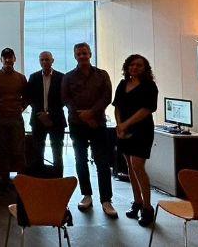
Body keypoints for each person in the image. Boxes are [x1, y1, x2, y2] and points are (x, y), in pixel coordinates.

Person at [61, 42, 116, 217]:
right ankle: (87, 195)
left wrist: (91, 114)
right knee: (80, 160)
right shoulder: (68, 77)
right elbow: (66, 99)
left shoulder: (102, 75)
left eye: (85, 53)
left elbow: (106, 97)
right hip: (77, 124)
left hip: (98, 124)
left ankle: (106, 200)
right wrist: (82, 116)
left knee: (102, 162)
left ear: (90, 54)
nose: (82, 56)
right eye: (79, 54)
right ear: (75, 56)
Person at [113, 54, 159, 226]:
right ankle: (137, 202)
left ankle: (147, 207)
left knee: (138, 166)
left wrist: (126, 124)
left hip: (142, 130)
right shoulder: (122, 84)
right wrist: (119, 126)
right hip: (123, 130)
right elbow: (117, 106)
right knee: (130, 168)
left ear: (145, 68)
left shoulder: (149, 86)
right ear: (127, 67)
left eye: (139, 65)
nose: (135, 68)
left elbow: (147, 110)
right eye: (132, 65)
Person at [0, 47, 29, 187]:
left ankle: (22, 181)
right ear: (1, 60)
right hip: (0, 119)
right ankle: (3, 181)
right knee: (2, 150)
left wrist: (22, 107)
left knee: (19, 149)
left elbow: (27, 96)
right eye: (5, 57)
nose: (8, 60)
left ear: (14, 59)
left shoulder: (20, 77)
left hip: (16, 119)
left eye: (10, 57)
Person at [26, 51, 65, 170]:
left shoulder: (61, 77)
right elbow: (29, 97)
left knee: (57, 152)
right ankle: (40, 181)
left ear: (52, 61)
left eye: (47, 59)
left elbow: (64, 98)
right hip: (38, 120)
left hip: (56, 120)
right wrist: (41, 114)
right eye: (42, 60)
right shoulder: (34, 77)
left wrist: (49, 114)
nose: (44, 62)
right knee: (38, 152)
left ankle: (58, 181)